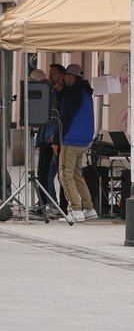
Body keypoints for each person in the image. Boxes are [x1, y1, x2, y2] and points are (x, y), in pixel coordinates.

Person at [59, 63, 97, 222]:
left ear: (71, 77)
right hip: (84, 139)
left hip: (71, 139)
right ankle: (89, 208)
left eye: (66, 75)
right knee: (77, 174)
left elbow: (65, 118)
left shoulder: (73, 94)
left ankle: (75, 209)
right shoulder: (85, 92)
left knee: (65, 175)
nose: (64, 78)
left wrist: (57, 139)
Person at [37, 65, 68, 214]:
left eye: (53, 74)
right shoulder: (48, 91)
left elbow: (64, 118)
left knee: (58, 174)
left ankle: (62, 206)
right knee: (41, 174)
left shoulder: (65, 94)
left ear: (62, 76)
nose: (50, 77)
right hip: (45, 137)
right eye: (50, 74)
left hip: (58, 138)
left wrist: (56, 139)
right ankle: (43, 205)